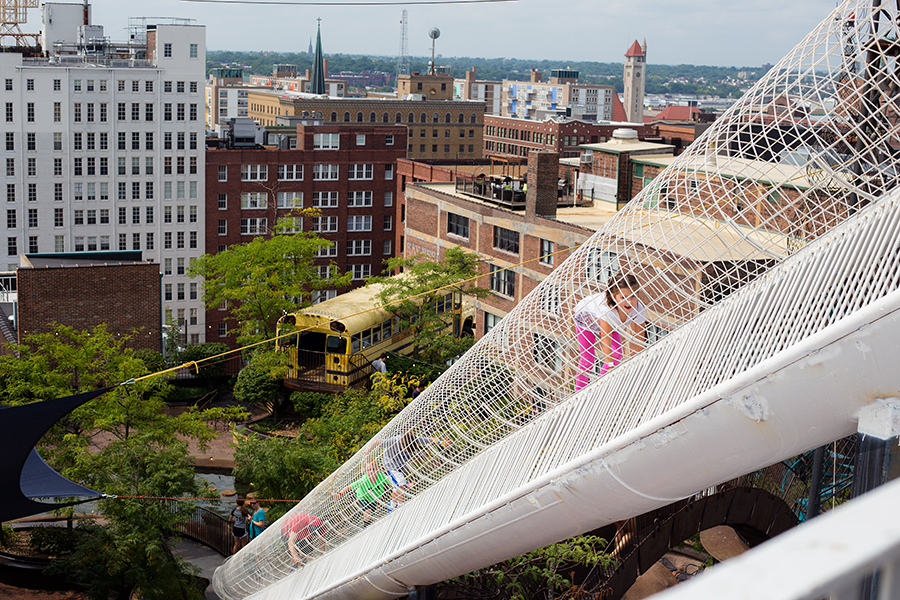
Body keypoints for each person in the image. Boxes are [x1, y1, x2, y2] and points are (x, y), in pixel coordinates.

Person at [573, 273, 646, 390]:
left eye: (633, 296)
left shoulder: (638, 309)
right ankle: (579, 392)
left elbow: (638, 341)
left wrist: (637, 363)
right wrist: (610, 366)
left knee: (617, 354)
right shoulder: (607, 311)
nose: (629, 302)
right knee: (587, 360)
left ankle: (599, 388)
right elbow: (605, 341)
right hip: (587, 318)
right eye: (623, 297)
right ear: (613, 297)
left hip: (613, 324)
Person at [366, 430, 449, 510]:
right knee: (400, 481)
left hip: (401, 466)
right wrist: (368, 452)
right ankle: (400, 506)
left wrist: (442, 443)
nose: (406, 451)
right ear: (400, 443)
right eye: (405, 449)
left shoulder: (415, 439)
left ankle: (392, 505)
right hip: (390, 465)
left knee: (396, 487)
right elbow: (377, 442)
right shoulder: (394, 441)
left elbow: (431, 439)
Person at [332, 458, 390, 525]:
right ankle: (365, 526)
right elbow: (349, 487)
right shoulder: (363, 480)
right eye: (369, 470)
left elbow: (391, 482)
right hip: (363, 497)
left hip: (374, 499)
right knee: (368, 511)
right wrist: (340, 494)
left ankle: (367, 525)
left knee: (370, 515)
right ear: (365, 471)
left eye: (374, 469)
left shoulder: (381, 477)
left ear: (378, 469)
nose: (372, 471)